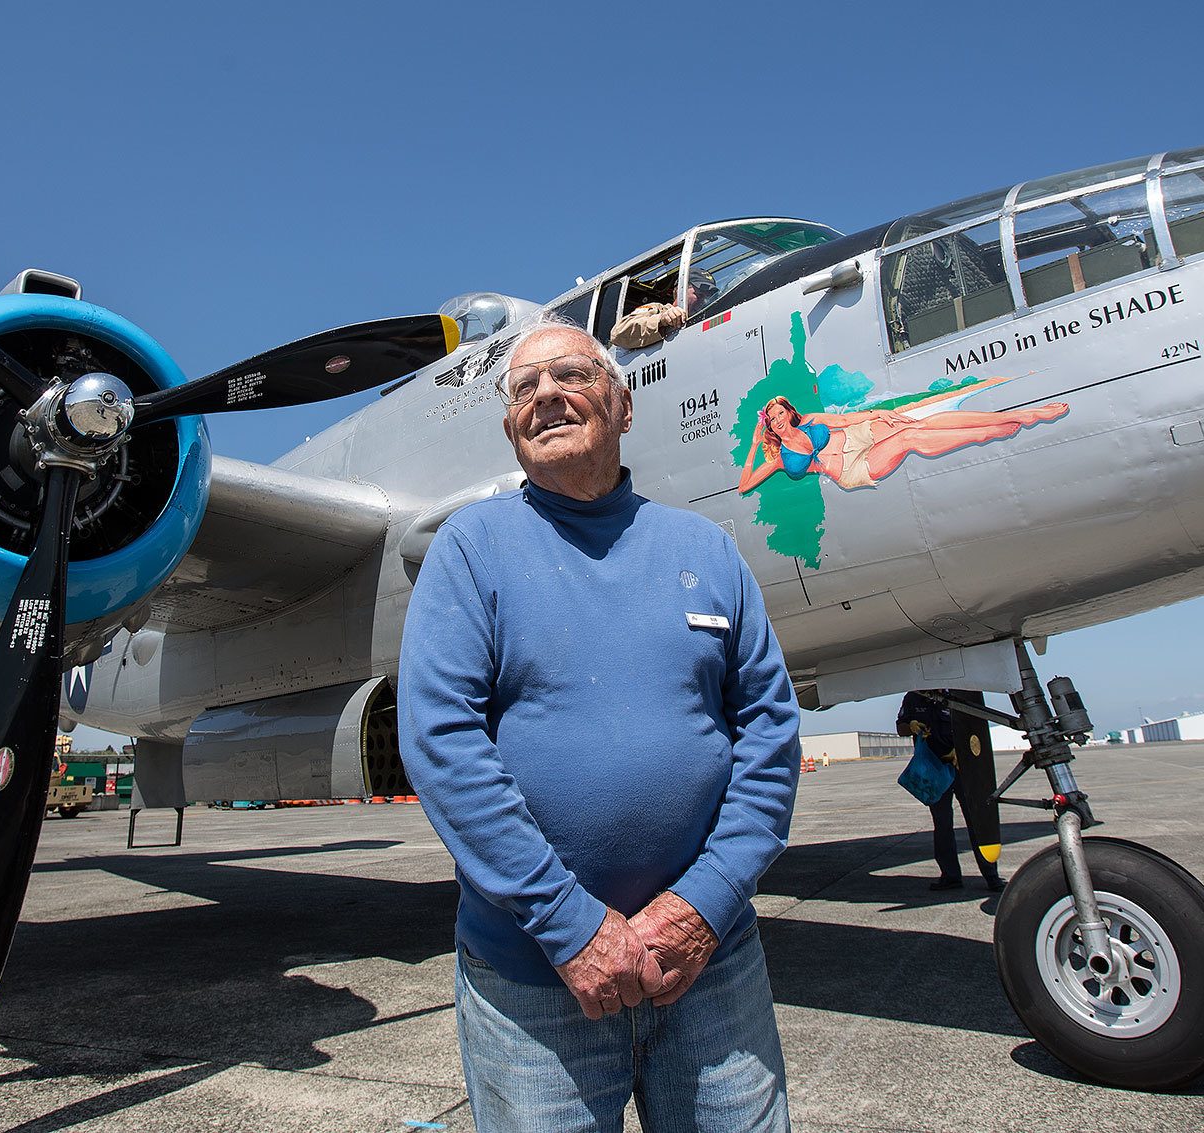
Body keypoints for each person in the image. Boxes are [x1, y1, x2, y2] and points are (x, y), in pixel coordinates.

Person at [399, 314, 802, 1132]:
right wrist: (570, 925)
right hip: (534, 983)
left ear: (623, 406)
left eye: (572, 376)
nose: (546, 393)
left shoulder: (708, 551)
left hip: (711, 967)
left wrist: (706, 902)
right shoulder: (469, 550)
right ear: (512, 426)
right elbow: (443, 744)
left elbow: (769, 729)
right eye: (524, 387)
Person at [738, 393, 1069, 493]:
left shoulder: (810, 421)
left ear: (789, 413)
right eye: (774, 417)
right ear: (769, 425)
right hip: (850, 468)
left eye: (782, 412)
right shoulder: (779, 458)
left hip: (855, 437)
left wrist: (878, 413)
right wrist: (754, 444)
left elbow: (846, 421)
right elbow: (744, 487)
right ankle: (988, 431)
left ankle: (1018, 414)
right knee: (910, 438)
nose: (779, 418)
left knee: (914, 423)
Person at [896, 691, 1003, 892]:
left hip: (962, 768)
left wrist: (964, 751)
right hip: (935, 770)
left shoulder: (957, 695)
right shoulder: (913, 698)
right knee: (942, 824)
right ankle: (950, 875)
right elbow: (900, 727)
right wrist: (910, 727)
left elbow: (975, 727)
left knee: (976, 821)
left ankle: (991, 876)